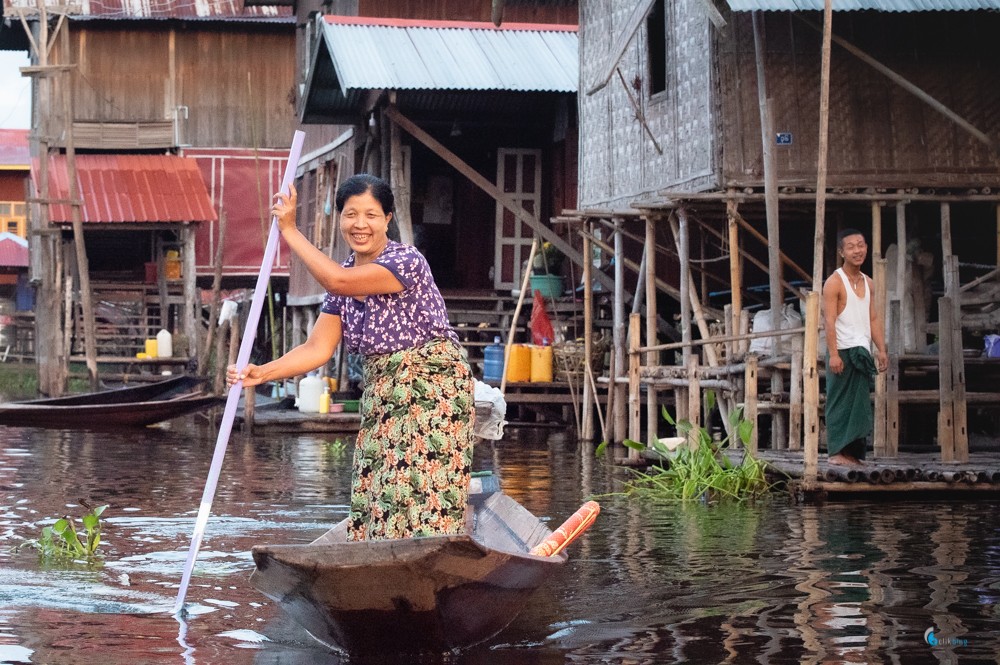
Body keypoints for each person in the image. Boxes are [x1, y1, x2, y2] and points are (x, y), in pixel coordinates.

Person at [228, 174, 475, 541]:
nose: (360, 224)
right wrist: (261, 373)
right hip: (383, 391)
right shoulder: (343, 275)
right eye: (351, 214)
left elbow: (338, 283)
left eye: (371, 215)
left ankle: (427, 564)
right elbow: (317, 348)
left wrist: (290, 231)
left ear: (388, 218)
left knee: (422, 488)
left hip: (432, 388)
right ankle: (381, 567)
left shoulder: (406, 260)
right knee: (377, 487)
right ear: (341, 218)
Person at [822, 228, 889, 466]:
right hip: (842, 351)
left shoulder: (868, 282)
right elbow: (829, 321)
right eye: (851, 247)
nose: (857, 250)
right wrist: (833, 354)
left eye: (861, 245)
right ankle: (836, 454)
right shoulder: (834, 283)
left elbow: (872, 318)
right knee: (839, 402)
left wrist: (881, 349)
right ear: (842, 252)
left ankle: (852, 454)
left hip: (861, 350)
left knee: (859, 406)